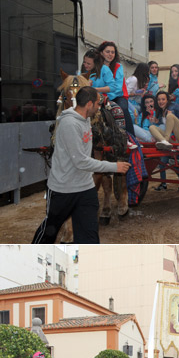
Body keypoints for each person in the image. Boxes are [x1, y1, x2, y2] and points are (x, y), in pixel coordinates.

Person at [32, 86, 130, 243]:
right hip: (62, 190)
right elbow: (80, 161)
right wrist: (114, 166)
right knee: (48, 233)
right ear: (89, 104)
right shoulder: (70, 124)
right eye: (98, 104)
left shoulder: (86, 121)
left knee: (90, 237)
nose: (100, 107)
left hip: (85, 189)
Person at [90, 41, 135, 135]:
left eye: (112, 52)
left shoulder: (118, 66)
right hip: (98, 96)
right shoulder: (94, 66)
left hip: (117, 96)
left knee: (122, 108)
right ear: (101, 53)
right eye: (107, 52)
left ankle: (130, 137)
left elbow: (118, 88)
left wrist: (105, 96)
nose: (110, 54)